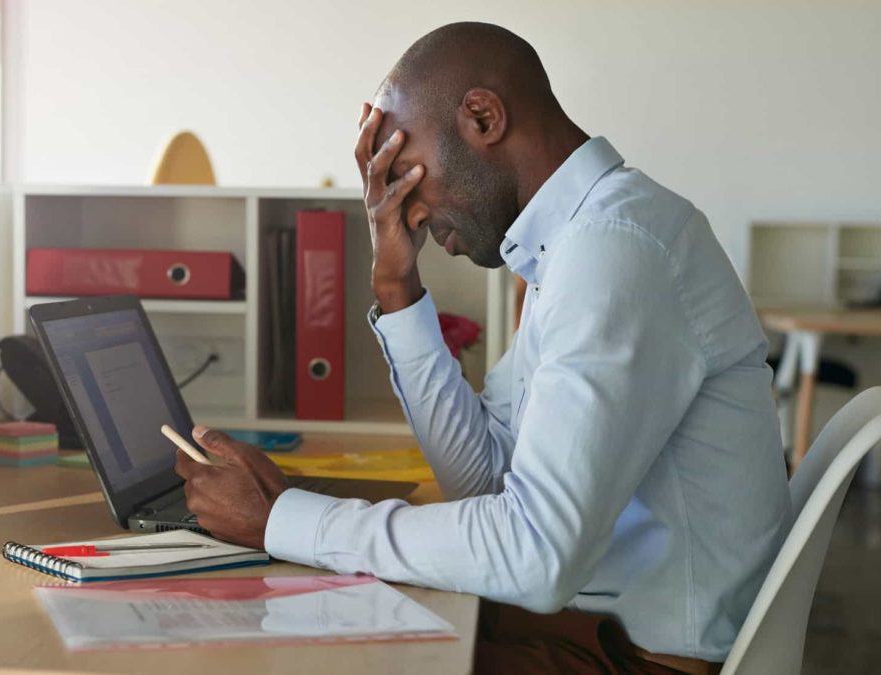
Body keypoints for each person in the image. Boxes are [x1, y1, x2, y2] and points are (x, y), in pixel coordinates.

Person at [175, 22, 791, 674]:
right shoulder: (575, 245)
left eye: (407, 173)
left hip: (638, 659)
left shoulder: (616, 249)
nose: (405, 208)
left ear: (482, 116)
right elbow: (483, 483)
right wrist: (397, 286)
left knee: (295, 650)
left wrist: (284, 521)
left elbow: (535, 553)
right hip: (592, 631)